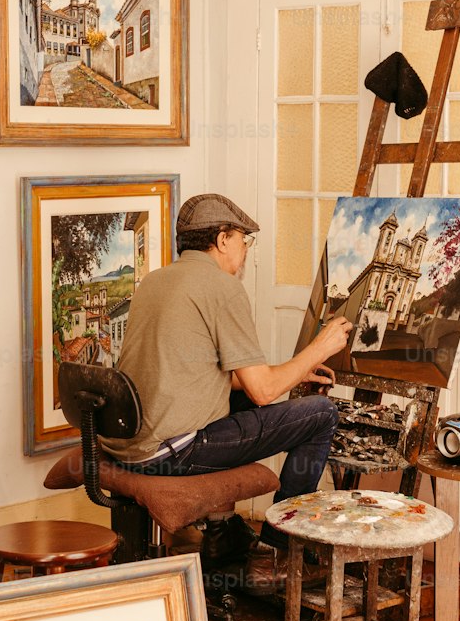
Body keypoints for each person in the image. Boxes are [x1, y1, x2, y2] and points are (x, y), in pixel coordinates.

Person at [100, 193, 352, 511]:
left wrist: (299, 370)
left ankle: (224, 535)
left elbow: (205, 376)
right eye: (243, 240)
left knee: (245, 397)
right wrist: (319, 348)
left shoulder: (154, 280)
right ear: (222, 239)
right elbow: (263, 391)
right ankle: (281, 546)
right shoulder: (223, 287)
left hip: (127, 444)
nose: (245, 250)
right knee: (321, 414)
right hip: (169, 453)